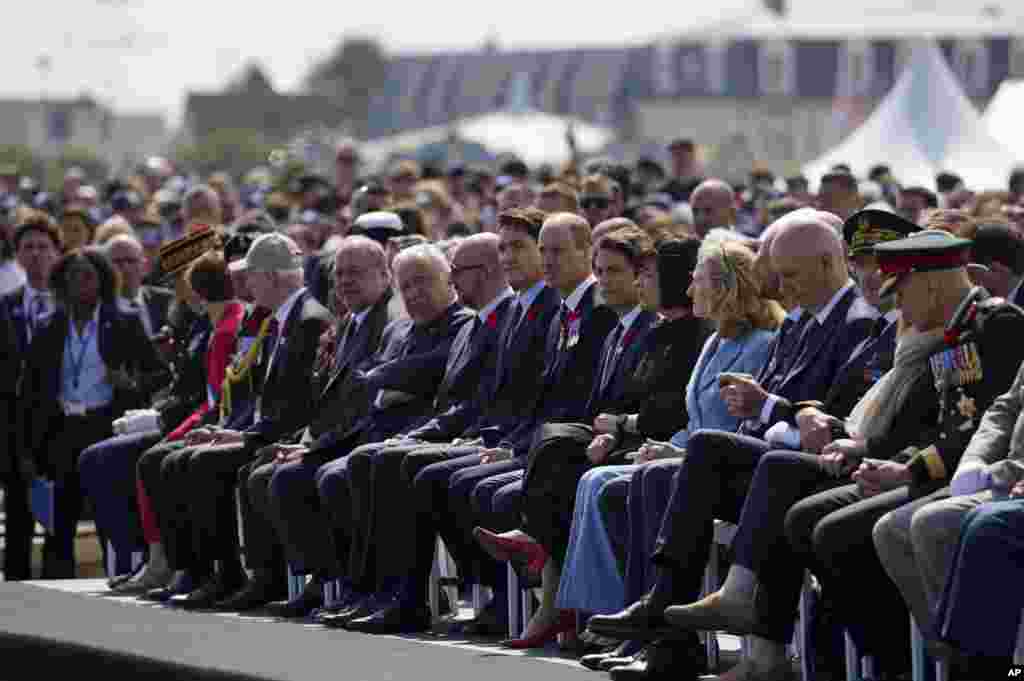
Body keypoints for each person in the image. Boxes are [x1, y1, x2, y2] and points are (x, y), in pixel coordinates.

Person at [587, 209, 878, 680]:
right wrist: (768, 411)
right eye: (779, 275)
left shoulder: (857, 323)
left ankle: (672, 604)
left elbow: (829, 419)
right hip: (777, 461)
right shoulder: (800, 324)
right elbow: (779, 412)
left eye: (791, 275)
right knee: (662, 473)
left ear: (828, 262)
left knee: (707, 449)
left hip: (820, 465)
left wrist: (768, 410)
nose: (783, 287)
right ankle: (666, 635)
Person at [567, 232, 780, 669]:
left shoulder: (758, 344)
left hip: (730, 469)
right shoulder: (715, 341)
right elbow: (698, 424)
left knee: (650, 480)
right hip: (697, 458)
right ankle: (644, 632)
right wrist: (668, 447)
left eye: (696, 282)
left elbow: (737, 430)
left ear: (723, 287)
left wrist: (676, 454)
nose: (686, 291)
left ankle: (665, 639)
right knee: (637, 478)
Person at [473, 226, 656, 647]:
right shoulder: (614, 328)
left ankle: (560, 601)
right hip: (597, 440)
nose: (604, 282)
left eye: (615, 272)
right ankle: (556, 605)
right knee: (550, 453)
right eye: (600, 271)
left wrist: (617, 430)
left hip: (630, 447)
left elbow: (654, 408)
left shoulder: (644, 326)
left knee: (553, 464)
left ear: (641, 275)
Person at [219, 236, 395, 614]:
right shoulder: (350, 322)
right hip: (330, 435)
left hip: (362, 438)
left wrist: (314, 446)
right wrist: (309, 441)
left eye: (356, 273)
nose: (345, 282)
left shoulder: (386, 322)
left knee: (287, 475)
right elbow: (326, 401)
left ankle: (332, 579)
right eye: (339, 274)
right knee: (263, 470)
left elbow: (363, 404)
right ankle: (295, 577)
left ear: (384, 275)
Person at [160, 234, 331, 609]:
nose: (245, 285)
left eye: (251, 276)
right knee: (179, 460)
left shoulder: (309, 321)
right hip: (266, 428)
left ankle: (255, 575)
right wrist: (232, 431)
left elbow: (301, 406)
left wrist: (243, 436)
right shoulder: (277, 320)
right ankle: (211, 570)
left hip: (289, 434)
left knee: (205, 463)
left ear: (271, 277)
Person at [83, 229, 224, 586]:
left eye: (183, 277)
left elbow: (204, 392)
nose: (178, 286)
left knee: (123, 459)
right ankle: (136, 556)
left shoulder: (215, 320)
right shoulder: (188, 319)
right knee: (98, 457)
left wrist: (159, 415)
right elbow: (173, 379)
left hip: (195, 419)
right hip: (176, 414)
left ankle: (156, 559)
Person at [21, 248, 166, 578]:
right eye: (73, 275)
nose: (80, 282)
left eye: (88, 275)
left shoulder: (124, 322)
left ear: (102, 280)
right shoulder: (48, 327)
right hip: (60, 430)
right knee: (60, 520)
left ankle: (118, 578)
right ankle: (55, 589)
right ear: (62, 282)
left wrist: (129, 382)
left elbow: (159, 374)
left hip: (104, 426)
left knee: (108, 512)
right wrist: (28, 448)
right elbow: (28, 392)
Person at [106, 234, 174, 339]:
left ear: (144, 266)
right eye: (117, 262)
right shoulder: (99, 308)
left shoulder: (167, 301)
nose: (125, 268)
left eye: (131, 260)